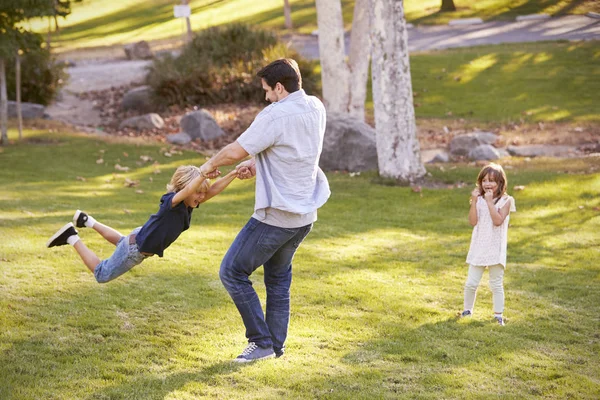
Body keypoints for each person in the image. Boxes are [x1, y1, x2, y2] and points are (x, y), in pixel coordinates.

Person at [199, 58, 330, 362]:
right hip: (304, 217)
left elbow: (234, 150)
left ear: (280, 87)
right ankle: (275, 347)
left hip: (277, 217)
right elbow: (295, 150)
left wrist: (208, 166)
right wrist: (259, 163)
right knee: (278, 280)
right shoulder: (316, 106)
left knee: (232, 271)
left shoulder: (274, 115)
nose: (265, 96)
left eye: (267, 90)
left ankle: (261, 342)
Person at [46, 165, 237, 283]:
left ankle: (86, 221)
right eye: (198, 192)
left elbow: (212, 191)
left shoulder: (187, 205)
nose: (202, 197)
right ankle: (71, 236)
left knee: (122, 241)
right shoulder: (173, 202)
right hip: (135, 249)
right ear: (186, 188)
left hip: (138, 239)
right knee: (101, 274)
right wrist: (203, 175)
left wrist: (234, 173)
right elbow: (189, 190)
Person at [459, 163, 516, 326]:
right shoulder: (479, 199)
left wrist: (490, 202)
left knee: (496, 283)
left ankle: (498, 315)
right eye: (484, 180)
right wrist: (475, 201)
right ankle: (467, 310)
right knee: (471, 282)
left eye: (492, 180)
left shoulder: (507, 201)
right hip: (479, 246)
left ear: (500, 183)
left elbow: (498, 221)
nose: (487, 184)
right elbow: (472, 221)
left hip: (495, 248)